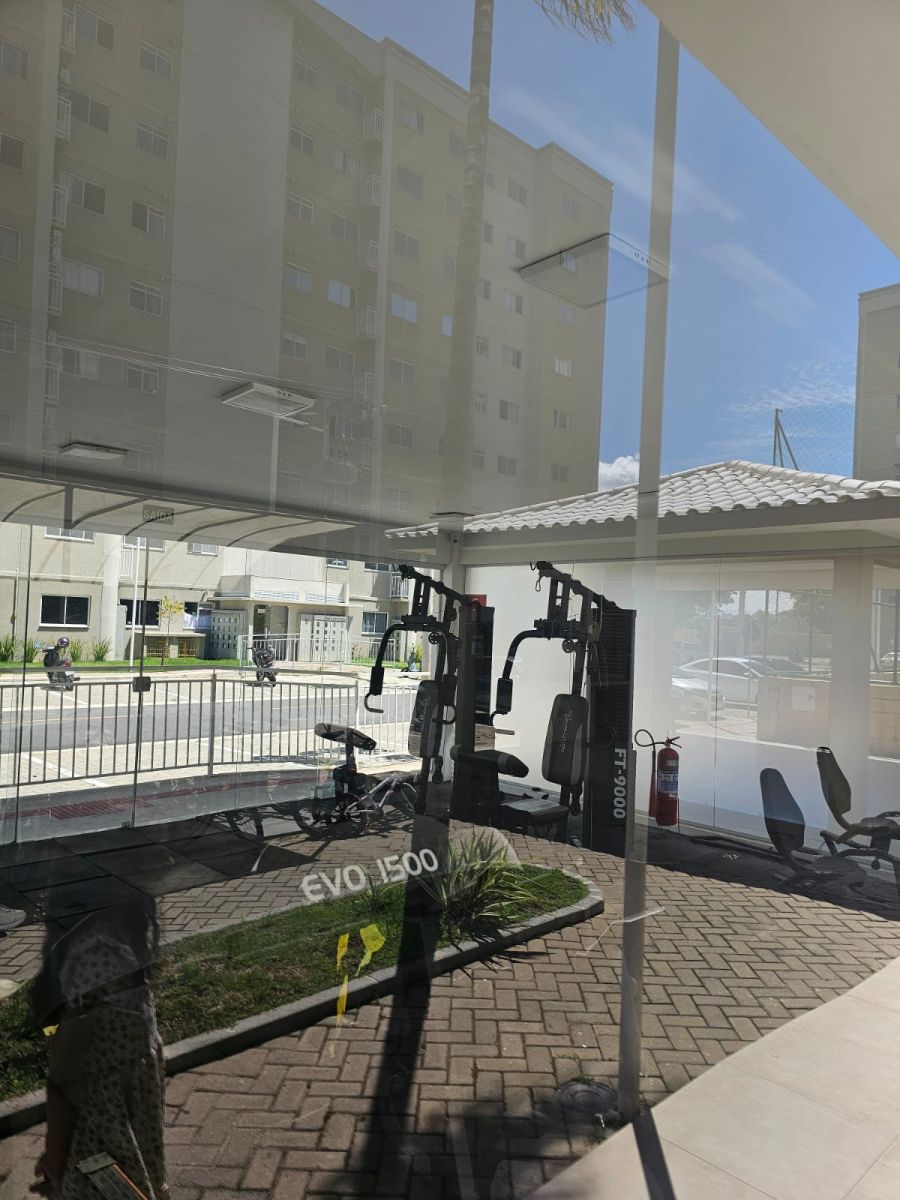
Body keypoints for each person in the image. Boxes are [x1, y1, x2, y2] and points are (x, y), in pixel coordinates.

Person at [30, 897, 168, 1200]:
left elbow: (66, 1075)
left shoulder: (101, 949)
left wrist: (54, 1157)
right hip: (117, 1123)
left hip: (105, 1129)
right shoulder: (113, 943)